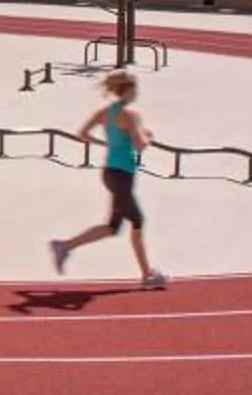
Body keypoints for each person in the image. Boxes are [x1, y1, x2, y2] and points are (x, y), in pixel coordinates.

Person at [50, 72, 167, 290]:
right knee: (135, 221)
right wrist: (148, 136)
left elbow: (82, 133)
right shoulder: (131, 115)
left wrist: (106, 145)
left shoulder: (105, 112)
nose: (137, 93)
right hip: (122, 175)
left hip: (110, 173)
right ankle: (147, 275)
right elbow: (140, 146)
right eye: (134, 90)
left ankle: (65, 246)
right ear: (126, 91)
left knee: (116, 226)